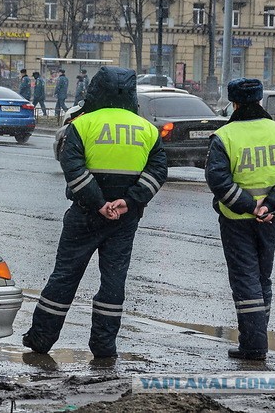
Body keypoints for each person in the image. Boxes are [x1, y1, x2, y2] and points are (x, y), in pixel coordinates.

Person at [22, 66, 168, 359]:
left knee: (64, 276)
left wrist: (98, 203)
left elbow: (72, 167)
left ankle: (41, 339)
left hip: (85, 214)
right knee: (113, 283)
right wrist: (127, 202)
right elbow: (157, 171)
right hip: (125, 219)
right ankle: (104, 346)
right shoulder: (147, 129)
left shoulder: (83, 124)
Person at [205, 77, 275, 360]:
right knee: (262, 278)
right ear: (259, 101)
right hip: (271, 217)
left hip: (236, 218)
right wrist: (270, 204)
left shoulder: (225, 136)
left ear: (234, 104)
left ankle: (254, 345)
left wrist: (249, 206)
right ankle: (256, 338)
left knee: (245, 279)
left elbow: (218, 180)